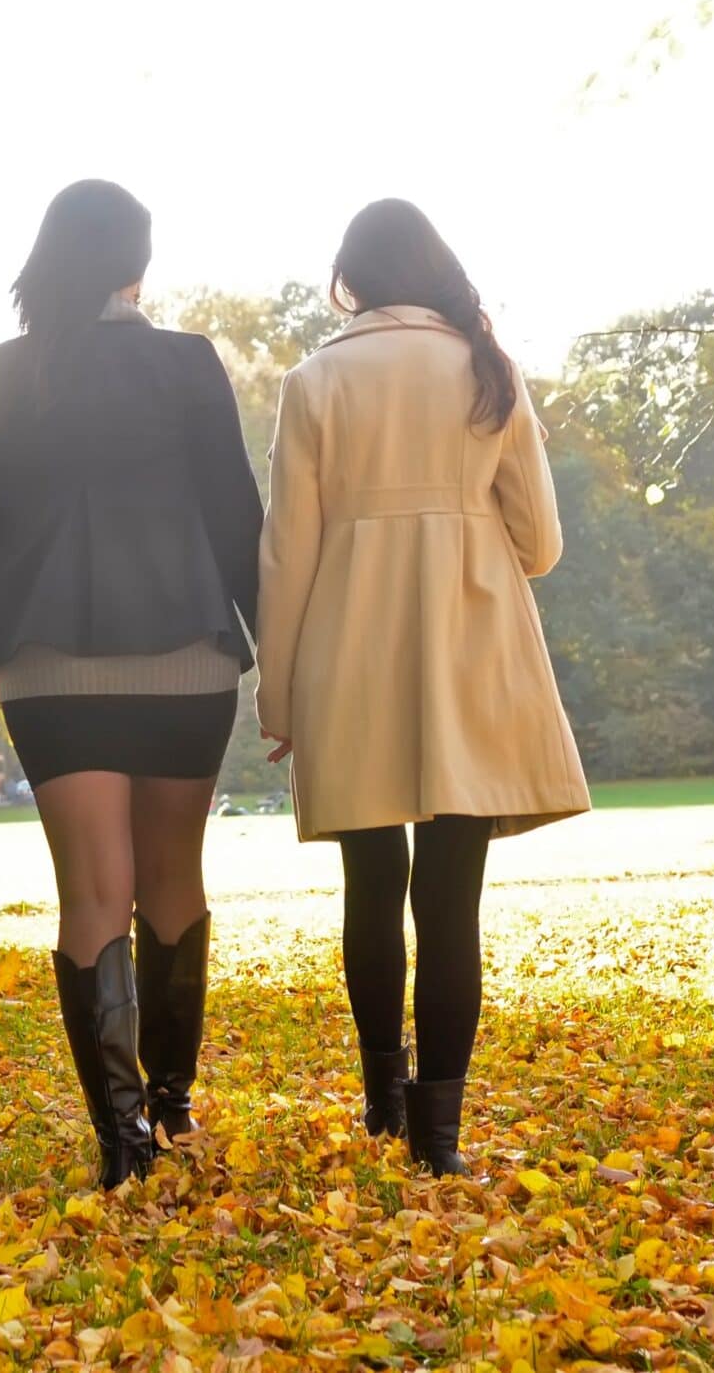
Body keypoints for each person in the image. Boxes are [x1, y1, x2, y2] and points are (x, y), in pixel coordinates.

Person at [256, 199, 590, 1175]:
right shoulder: (485, 367)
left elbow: (286, 555)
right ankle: (439, 1139)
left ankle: (382, 1102)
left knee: (371, 886)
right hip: (470, 646)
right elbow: (542, 544)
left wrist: (278, 695)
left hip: (349, 650)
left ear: (350, 278)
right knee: (453, 901)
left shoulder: (314, 380)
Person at [0, 180, 263, 1186]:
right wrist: (271, 645)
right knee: (173, 878)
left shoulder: (4, 371)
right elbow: (235, 518)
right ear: (138, 263)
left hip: (48, 664)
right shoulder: (185, 362)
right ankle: (171, 1108)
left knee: (90, 892)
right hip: (187, 655)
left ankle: (120, 1144)